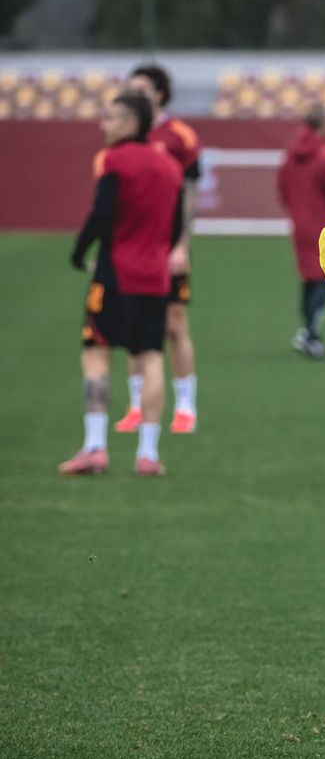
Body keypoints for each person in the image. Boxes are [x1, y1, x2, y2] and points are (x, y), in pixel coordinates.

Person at [60, 92, 183, 477]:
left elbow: (101, 213)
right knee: (150, 357)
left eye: (111, 118)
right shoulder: (170, 167)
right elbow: (176, 226)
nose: (104, 125)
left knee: (96, 352)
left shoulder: (115, 161)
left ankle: (95, 447)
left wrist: (80, 253)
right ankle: (147, 454)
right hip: (155, 277)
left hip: (115, 273)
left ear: (131, 123)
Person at [112, 64, 202, 435]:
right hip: (131, 250)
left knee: (174, 325)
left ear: (160, 94)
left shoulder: (179, 136)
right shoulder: (124, 135)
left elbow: (190, 196)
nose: (136, 94)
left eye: (143, 89)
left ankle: (185, 406)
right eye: (131, 88)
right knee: (133, 329)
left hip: (167, 248)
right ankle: (136, 406)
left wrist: (181, 244)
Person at [278, 104, 325, 358]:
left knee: (308, 278)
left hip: (300, 225)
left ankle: (307, 330)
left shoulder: (290, 155)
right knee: (324, 278)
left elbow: (283, 189)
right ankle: (311, 333)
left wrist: (297, 211)